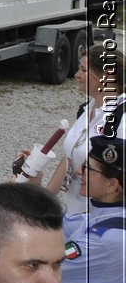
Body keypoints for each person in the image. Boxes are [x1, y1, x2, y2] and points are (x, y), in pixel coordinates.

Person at [60, 135, 125, 283]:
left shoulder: (108, 237)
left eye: (89, 168)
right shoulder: (97, 218)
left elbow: (48, 268)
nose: (79, 172)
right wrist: (29, 186)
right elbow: (52, 224)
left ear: (112, 185)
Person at [49, 43, 126, 216]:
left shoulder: (122, 119)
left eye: (83, 70)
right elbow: (70, 156)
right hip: (74, 213)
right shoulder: (86, 109)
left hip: (99, 219)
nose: (76, 75)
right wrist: (45, 198)